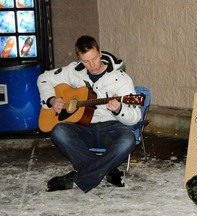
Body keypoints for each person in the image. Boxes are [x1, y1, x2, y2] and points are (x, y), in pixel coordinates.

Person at [37, 35, 141, 193]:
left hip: (111, 129)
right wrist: (51, 100)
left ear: (100, 52)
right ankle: (105, 170)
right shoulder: (73, 71)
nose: (92, 65)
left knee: (128, 140)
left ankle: (79, 179)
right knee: (58, 131)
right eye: (86, 61)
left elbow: (135, 117)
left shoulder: (120, 79)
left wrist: (119, 110)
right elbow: (43, 78)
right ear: (79, 58)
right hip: (83, 128)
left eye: (94, 58)